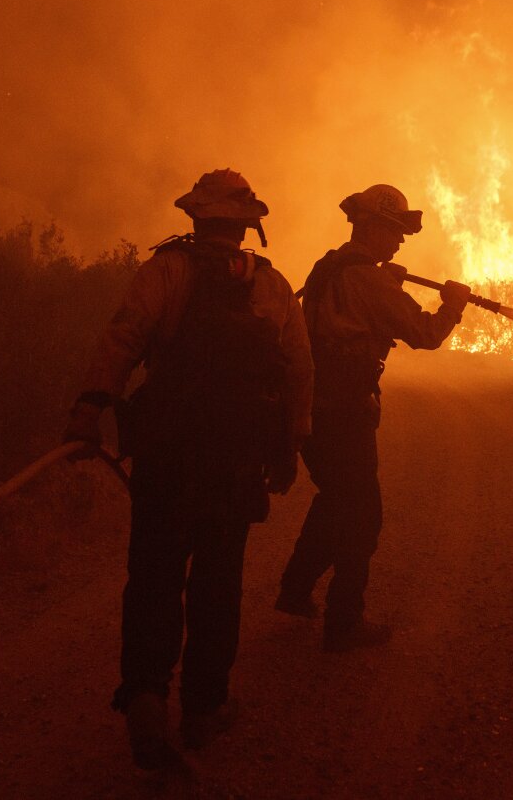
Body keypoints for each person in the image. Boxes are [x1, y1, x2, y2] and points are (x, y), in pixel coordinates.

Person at [63, 169, 312, 769]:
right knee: (217, 583)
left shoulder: (166, 270)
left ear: (197, 218)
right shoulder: (272, 286)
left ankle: (147, 698)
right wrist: (290, 448)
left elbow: (124, 336)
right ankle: (204, 708)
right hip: (236, 460)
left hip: (167, 455)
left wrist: (90, 407)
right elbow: (299, 372)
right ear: (247, 223)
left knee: (153, 573)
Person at [276, 184, 470, 652]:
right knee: (362, 515)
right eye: (395, 231)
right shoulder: (370, 279)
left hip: (312, 405)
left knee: (336, 498)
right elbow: (423, 333)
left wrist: (389, 282)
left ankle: (295, 590)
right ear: (372, 227)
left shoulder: (330, 267)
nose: (400, 242)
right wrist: (453, 306)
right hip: (345, 410)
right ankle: (344, 623)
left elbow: (350, 312)